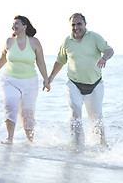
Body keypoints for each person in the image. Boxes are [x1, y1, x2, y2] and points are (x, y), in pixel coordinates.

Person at [47, 13, 114, 147]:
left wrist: (104, 58)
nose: (76, 27)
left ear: (85, 24)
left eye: (79, 24)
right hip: (74, 83)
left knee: (96, 117)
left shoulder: (94, 37)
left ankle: (101, 144)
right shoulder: (67, 41)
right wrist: (50, 78)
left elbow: (109, 50)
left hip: (95, 84)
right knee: (75, 112)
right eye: (73, 25)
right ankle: (77, 145)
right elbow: (60, 61)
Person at [0, 15, 50, 144]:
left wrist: (46, 80)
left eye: (17, 23)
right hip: (9, 80)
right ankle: (9, 139)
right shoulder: (9, 42)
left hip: (30, 82)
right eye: (13, 24)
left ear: (24, 26)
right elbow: (2, 59)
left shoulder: (34, 42)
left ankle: (30, 141)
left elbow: (41, 62)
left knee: (28, 112)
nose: (14, 26)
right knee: (10, 106)